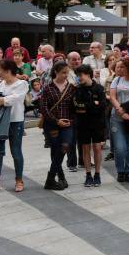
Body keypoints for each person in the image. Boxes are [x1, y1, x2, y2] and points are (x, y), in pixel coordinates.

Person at [0, 59, 28, 195]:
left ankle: (19, 180)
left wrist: (1, 99)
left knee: (16, 151)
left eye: (0, 70)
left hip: (15, 121)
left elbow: (15, 99)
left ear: (8, 71)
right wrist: (3, 100)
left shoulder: (22, 84)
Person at [40, 61, 75, 191]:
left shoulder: (71, 87)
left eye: (67, 72)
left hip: (68, 123)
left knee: (65, 147)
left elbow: (74, 106)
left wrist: (71, 120)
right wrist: (56, 121)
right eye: (63, 73)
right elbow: (44, 108)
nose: (66, 75)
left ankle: (50, 179)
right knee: (55, 150)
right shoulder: (48, 88)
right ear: (56, 72)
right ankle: (60, 177)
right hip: (52, 125)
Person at [74, 64, 106, 187]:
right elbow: (77, 106)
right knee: (85, 148)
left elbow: (103, 105)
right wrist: (93, 105)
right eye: (77, 76)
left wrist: (88, 106)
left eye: (80, 75)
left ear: (88, 75)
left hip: (97, 123)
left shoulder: (99, 88)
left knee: (97, 148)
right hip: (82, 123)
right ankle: (88, 174)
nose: (79, 78)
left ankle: (97, 174)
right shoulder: (77, 89)